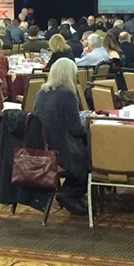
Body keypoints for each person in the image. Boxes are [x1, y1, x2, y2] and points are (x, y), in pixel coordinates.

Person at [32, 57, 89, 215]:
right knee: (94, 157)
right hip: (65, 148)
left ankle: (71, 193)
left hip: (46, 146)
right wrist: (90, 123)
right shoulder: (67, 94)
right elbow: (76, 129)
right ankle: (69, 193)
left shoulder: (41, 92)